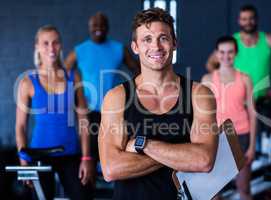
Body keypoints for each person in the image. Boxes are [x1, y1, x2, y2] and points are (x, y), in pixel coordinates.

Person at [99, 8, 218, 200]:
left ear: (174, 43)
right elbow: (111, 168)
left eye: (163, 38)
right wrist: (182, 151)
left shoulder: (199, 94)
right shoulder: (117, 97)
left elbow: (204, 160)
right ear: (135, 47)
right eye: (147, 39)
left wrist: (143, 144)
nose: (156, 46)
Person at [15, 25, 94, 200]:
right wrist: (23, 161)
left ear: (60, 45)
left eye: (55, 42)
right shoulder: (28, 82)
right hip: (39, 155)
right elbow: (20, 126)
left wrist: (86, 157)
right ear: (37, 46)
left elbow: (83, 120)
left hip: (70, 154)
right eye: (46, 43)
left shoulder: (74, 77)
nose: (51, 48)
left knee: (84, 195)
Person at [206, 4, 271, 151]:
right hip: (240, 103)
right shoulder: (232, 43)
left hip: (262, 101)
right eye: (244, 19)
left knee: (265, 148)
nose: (248, 22)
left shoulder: (268, 40)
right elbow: (210, 64)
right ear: (239, 21)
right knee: (235, 148)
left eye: (251, 18)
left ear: (257, 20)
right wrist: (227, 88)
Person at [65, 11, 139, 160]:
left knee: (114, 152)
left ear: (107, 27)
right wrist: (75, 98)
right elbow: (63, 74)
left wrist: (131, 94)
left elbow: (138, 70)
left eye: (102, 25)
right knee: (90, 155)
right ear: (89, 27)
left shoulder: (119, 49)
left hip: (114, 111)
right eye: (94, 25)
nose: (98, 28)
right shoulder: (79, 50)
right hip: (89, 112)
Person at [202, 36, 256, 200]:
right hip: (217, 137)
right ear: (217, 54)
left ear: (236, 53)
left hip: (241, 135)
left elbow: (253, 114)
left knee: (244, 188)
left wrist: (252, 147)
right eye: (222, 52)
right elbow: (202, 115)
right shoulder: (208, 79)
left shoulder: (245, 78)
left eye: (230, 52)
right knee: (214, 192)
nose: (226, 56)